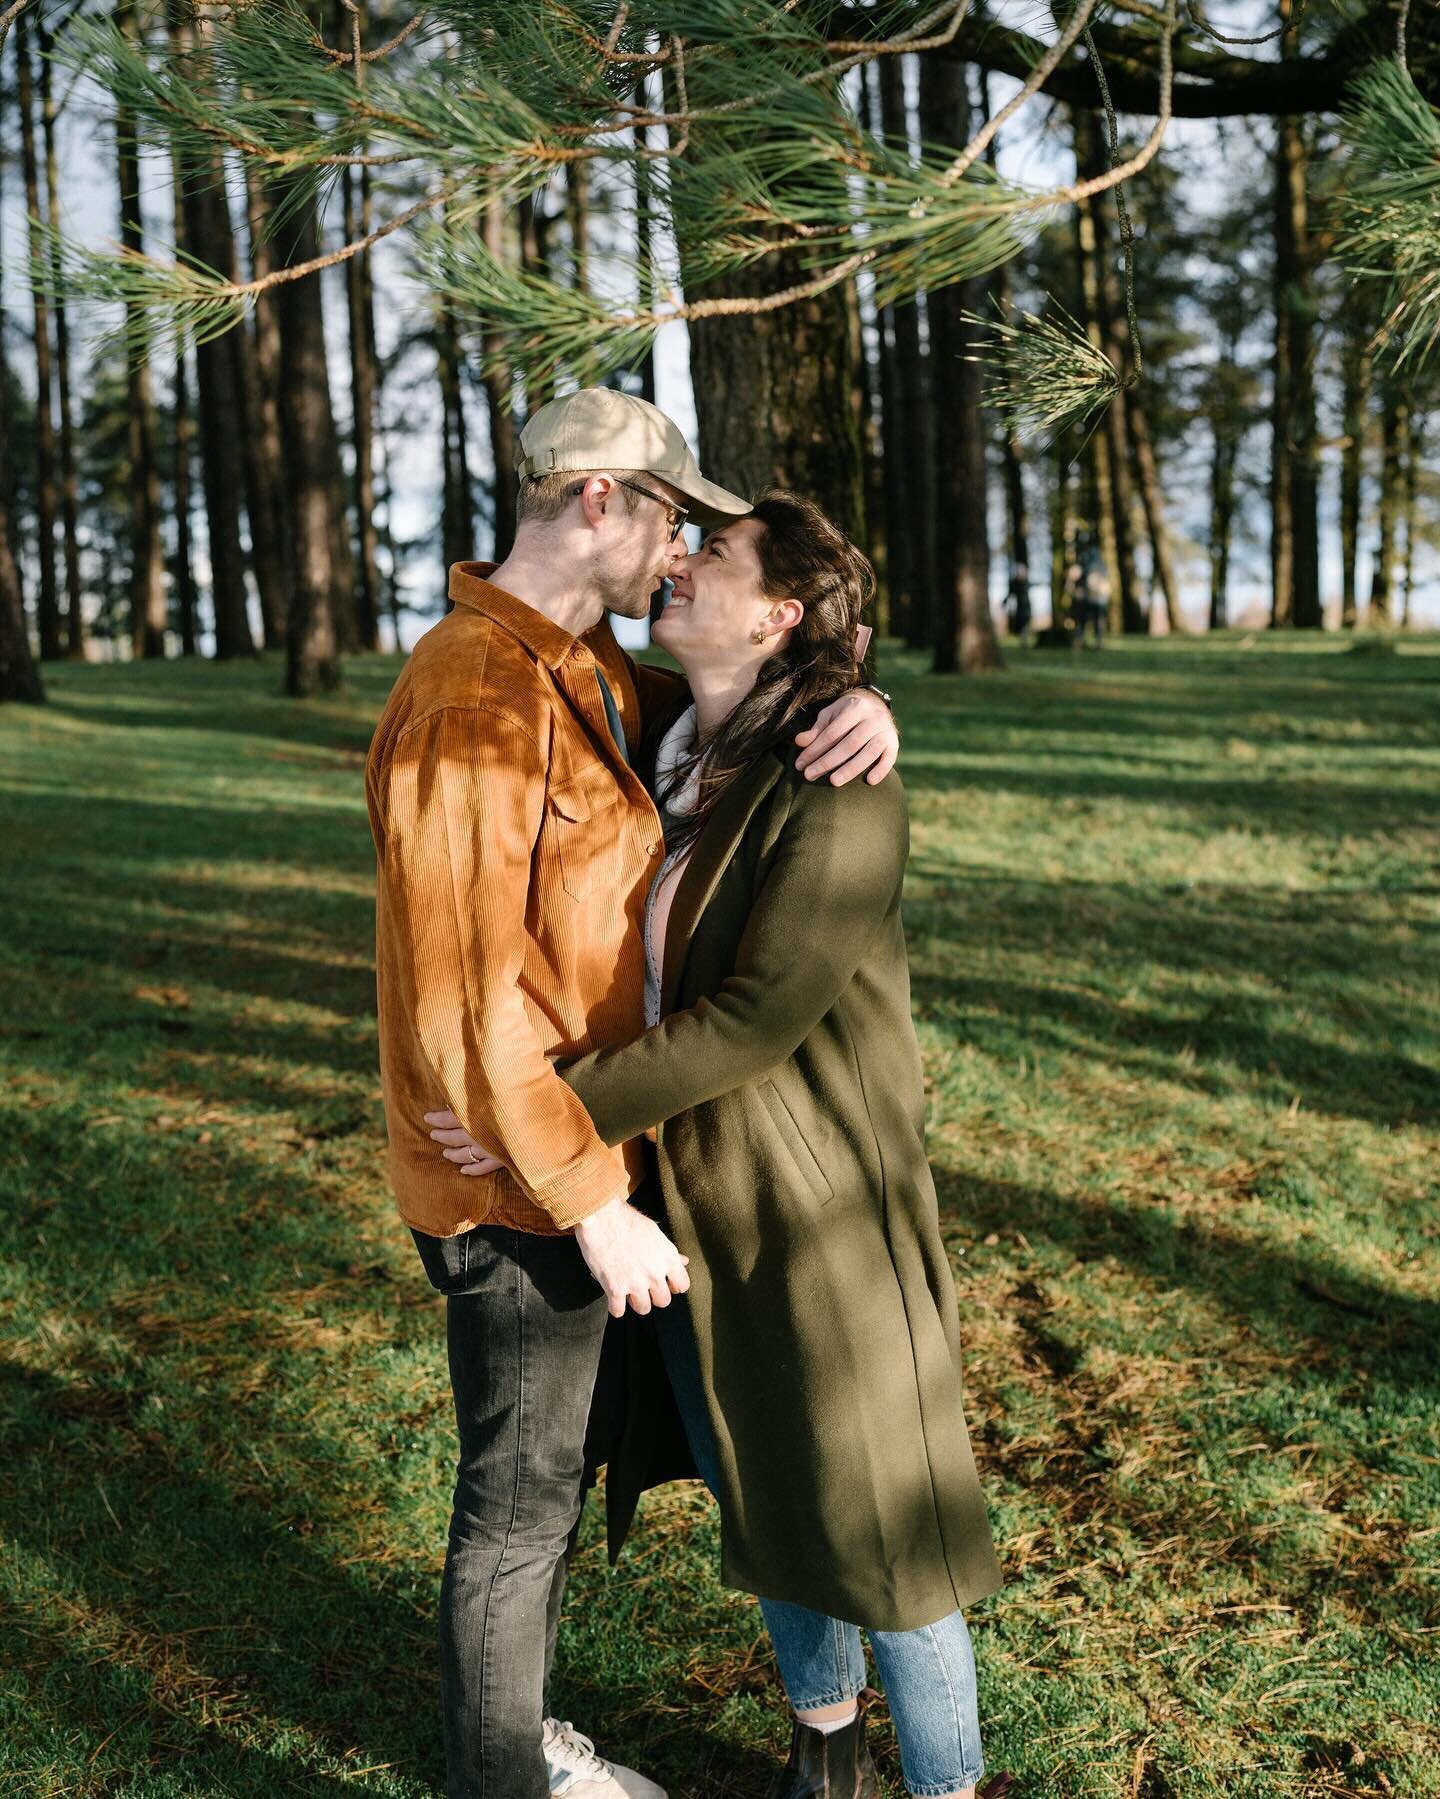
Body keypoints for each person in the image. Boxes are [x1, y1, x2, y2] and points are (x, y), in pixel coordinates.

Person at [428, 492, 1007, 1799]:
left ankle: (949, 1788)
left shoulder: (838, 784)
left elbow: (752, 1019)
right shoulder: (663, 727)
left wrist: (543, 1106)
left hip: (819, 1209)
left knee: (879, 1530)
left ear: (781, 614)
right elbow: (533, 652)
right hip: (690, 1200)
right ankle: (824, 1758)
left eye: (717, 555)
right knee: (767, 1493)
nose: (678, 562)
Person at [364, 388, 899, 1799]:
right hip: (518, 1178)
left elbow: (741, 698)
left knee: (534, 1491)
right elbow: (467, 995)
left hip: (563, 1148)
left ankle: (517, 1743)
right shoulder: (476, 691)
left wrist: (857, 699)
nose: (679, 549)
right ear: (599, 497)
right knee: (518, 1503)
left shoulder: (584, 669)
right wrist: (592, 1203)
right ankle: (502, 1780)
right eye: (669, 514)